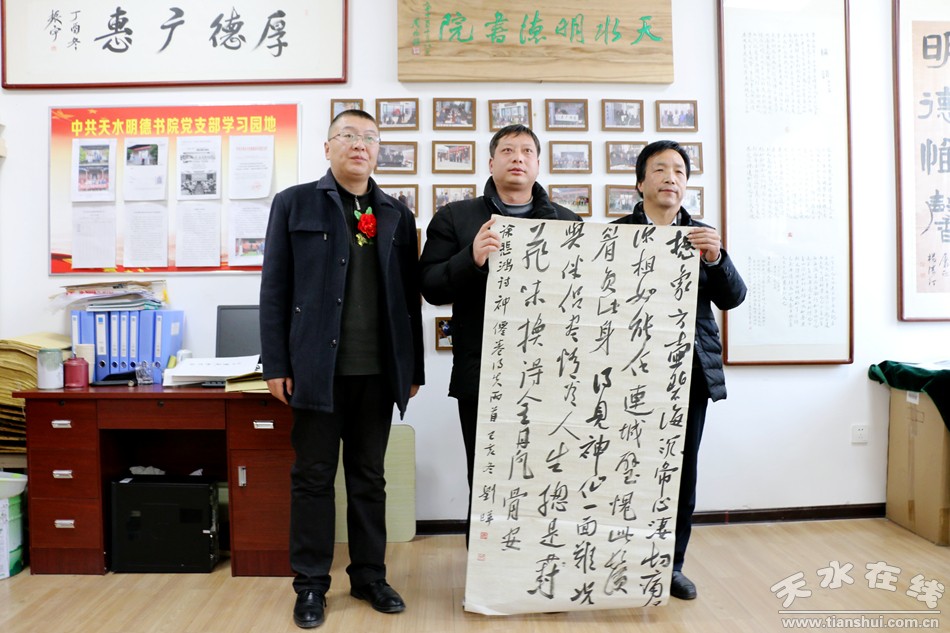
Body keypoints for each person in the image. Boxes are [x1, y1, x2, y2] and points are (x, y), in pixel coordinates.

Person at [259, 109, 424, 629]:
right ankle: (310, 584)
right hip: (315, 369)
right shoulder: (294, 204)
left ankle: (370, 577)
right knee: (312, 478)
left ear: (378, 151)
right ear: (327, 147)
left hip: (377, 372)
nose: (360, 145)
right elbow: (274, 289)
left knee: (369, 478)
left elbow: (408, 301)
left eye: (369, 138)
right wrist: (275, 363)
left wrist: (412, 368)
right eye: (348, 135)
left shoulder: (396, 214)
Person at [419, 124, 581, 540]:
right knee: (487, 473)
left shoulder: (567, 221)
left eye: (527, 151)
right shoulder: (455, 217)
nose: (518, 158)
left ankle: (539, 560)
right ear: (491, 163)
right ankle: (485, 564)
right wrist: (470, 259)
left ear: (538, 164)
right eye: (507, 150)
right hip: (482, 370)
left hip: (548, 375)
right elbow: (430, 287)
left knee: (545, 472)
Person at [612, 140, 747, 601]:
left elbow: (733, 298)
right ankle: (618, 561)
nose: (670, 177)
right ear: (640, 183)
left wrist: (716, 259)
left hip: (686, 373)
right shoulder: (615, 235)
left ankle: (671, 565)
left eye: (679, 171)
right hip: (627, 374)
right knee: (622, 467)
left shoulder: (702, 236)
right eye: (659, 169)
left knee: (680, 472)